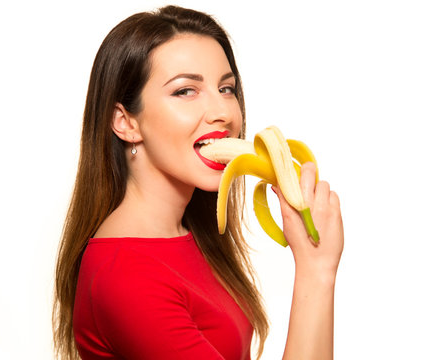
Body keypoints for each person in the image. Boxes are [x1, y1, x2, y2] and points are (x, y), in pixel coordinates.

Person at [53, 5, 344, 360]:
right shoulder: (126, 276)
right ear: (125, 122)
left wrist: (317, 266)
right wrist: (316, 271)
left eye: (226, 88)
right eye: (185, 91)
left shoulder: (189, 237)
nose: (223, 111)